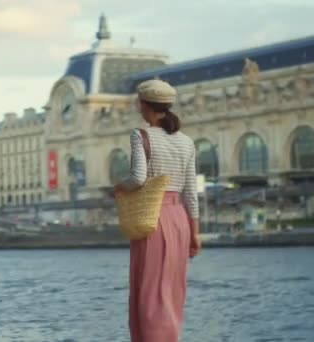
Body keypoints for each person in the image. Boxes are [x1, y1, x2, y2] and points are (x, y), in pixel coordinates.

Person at [115, 79, 201, 342]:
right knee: (172, 293)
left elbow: (139, 178)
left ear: (143, 105)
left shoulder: (140, 135)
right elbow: (190, 193)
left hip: (152, 217)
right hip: (180, 222)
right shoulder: (186, 142)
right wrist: (195, 234)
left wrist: (120, 187)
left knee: (149, 294)